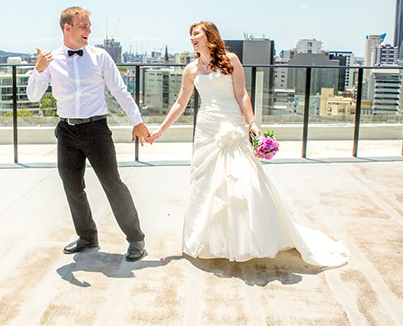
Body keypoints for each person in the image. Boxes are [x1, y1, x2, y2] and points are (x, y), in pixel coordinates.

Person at [147, 21, 349, 267]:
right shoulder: (191, 69)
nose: (192, 38)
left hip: (231, 123)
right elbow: (180, 103)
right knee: (205, 183)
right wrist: (161, 129)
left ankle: (246, 240)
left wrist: (252, 123)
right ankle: (210, 242)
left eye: (196, 33)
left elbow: (241, 93)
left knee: (241, 181)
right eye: (190, 35)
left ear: (209, 35)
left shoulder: (230, 59)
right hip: (206, 129)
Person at [27, 6, 150, 261]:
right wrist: (38, 70)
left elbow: (119, 90)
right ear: (67, 28)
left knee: (113, 184)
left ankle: (136, 238)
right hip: (66, 131)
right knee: (72, 186)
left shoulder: (100, 56)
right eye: (83, 26)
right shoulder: (50, 61)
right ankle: (87, 237)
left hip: (96, 130)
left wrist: (137, 122)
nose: (89, 31)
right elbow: (33, 96)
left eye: (89, 26)